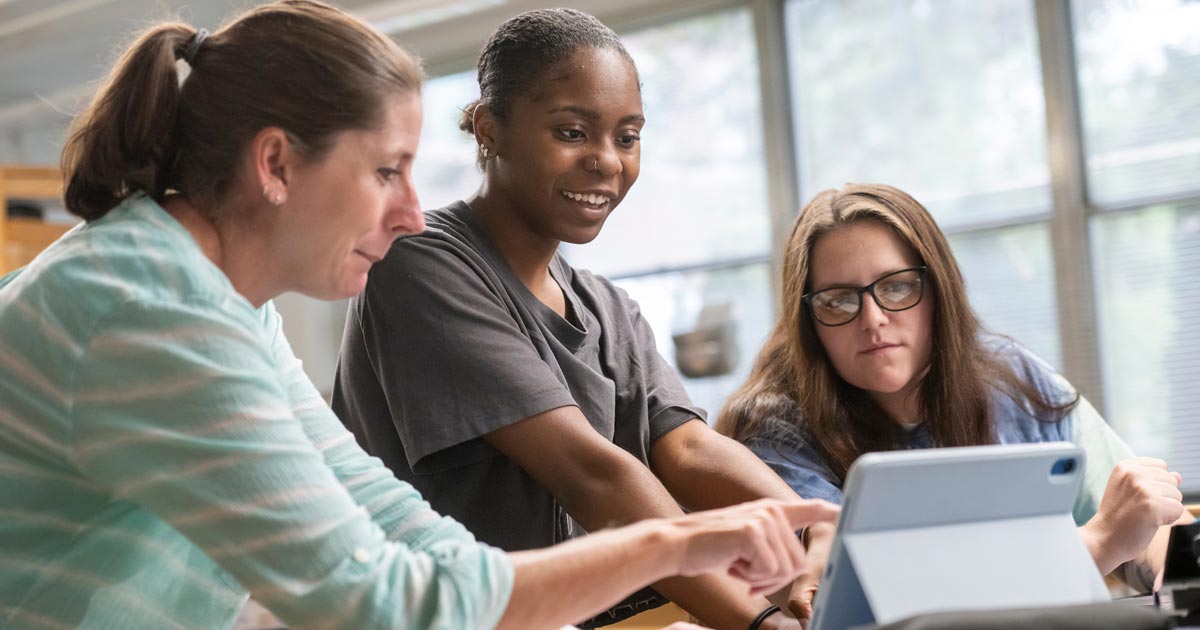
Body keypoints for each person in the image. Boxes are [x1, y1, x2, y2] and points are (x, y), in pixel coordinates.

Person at [0, 2, 840, 629]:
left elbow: (386, 514)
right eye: (386, 172)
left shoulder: (221, 306)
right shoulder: (148, 312)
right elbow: (381, 599)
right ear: (276, 164)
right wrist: (677, 548)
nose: (410, 213)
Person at [333, 8, 816, 629]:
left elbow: (691, 451)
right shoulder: (421, 264)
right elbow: (591, 474)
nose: (607, 161)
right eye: (571, 133)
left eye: (627, 136)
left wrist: (813, 539)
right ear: (489, 129)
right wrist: (760, 624)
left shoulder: (608, 308)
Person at [716, 182, 1193, 623]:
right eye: (838, 300)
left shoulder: (1013, 379)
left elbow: (1143, 520)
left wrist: (1168, 561)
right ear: (808, 319)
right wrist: (1100, 543)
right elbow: (885, 615)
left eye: (897, 286)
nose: (874, 319)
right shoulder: (771, 429)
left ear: (939, 288)